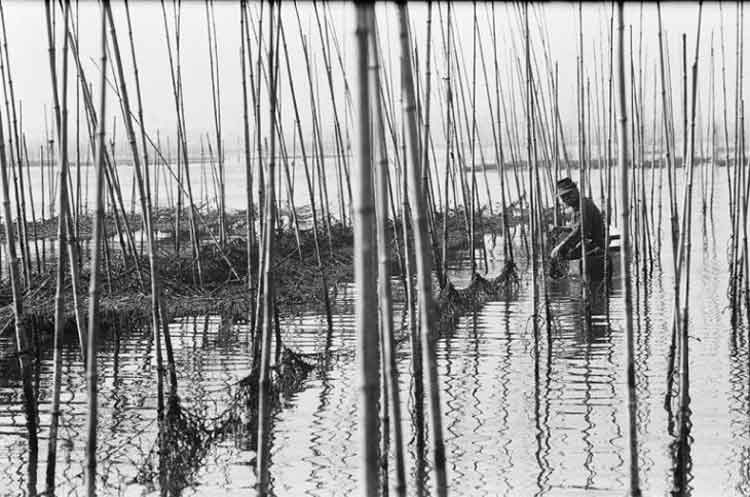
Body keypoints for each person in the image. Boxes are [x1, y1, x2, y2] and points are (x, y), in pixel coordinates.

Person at [550, 177, 606, 260]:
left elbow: (580, 231)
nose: (566, 199)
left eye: (569, 194)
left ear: (576, 190)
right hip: (588, 241)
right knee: (559, 246)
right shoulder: (576, 207)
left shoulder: (584, 205)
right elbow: (574, 227)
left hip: (596, 245)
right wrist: (561, 229)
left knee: (563, 253)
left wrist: (560, 246)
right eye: (563, 197)